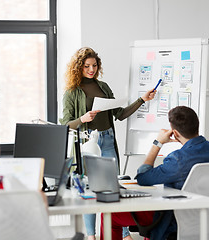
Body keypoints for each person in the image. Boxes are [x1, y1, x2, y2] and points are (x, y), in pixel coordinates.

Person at [60, 47, 156, 240]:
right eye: (87, 66)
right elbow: (65, 124)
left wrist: (141, 100)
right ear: (79, 67)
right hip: (88, 142)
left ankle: (123, 232)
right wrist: (83, 118)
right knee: (91, 190)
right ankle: (91, 236)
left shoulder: (103, 87)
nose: (91, 69)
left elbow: (120, 114)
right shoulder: (72, 92)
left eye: (94, 65)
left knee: (113, 188)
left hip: (108, 139)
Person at [100, 106, 209, 240]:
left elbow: (142, 178)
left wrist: (158, 143)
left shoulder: (178, 159)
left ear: (174, 133)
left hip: (172, 221)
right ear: (196, 125)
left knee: (109, 215)